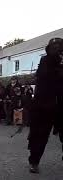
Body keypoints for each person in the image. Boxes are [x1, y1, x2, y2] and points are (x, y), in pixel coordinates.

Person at [28, 38, 63, 173]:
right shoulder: (45, 61)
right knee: (40, 136)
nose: (57, 50)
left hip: (61, 105)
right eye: (54, 47)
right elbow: (44, 76)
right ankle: (34, 161)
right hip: (44, 106)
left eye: (60, 47)